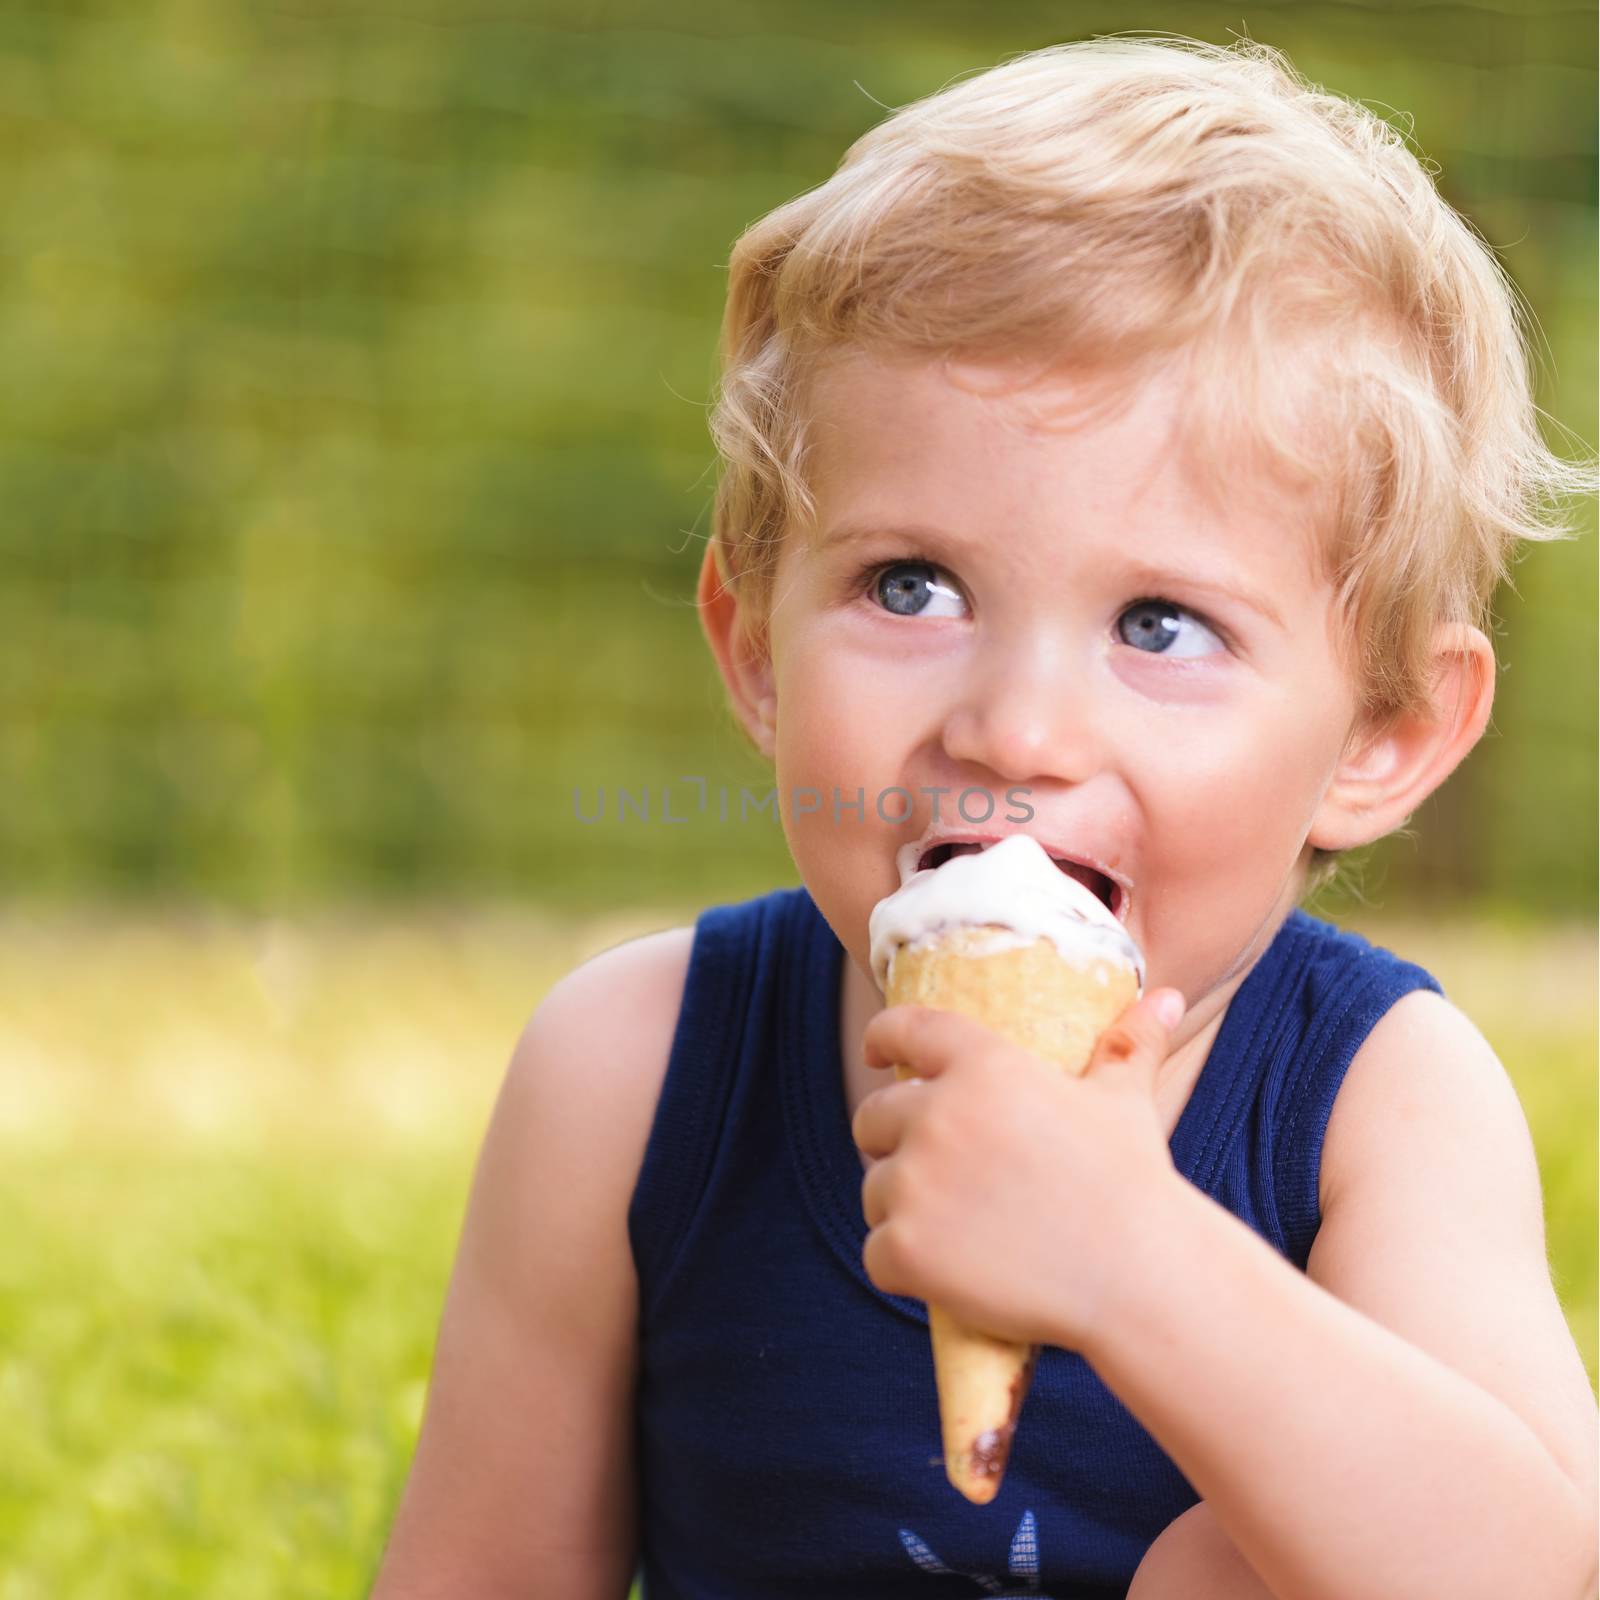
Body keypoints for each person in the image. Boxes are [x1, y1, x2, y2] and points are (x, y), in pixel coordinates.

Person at [371, 35, 1598, 1599]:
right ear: (755, 648)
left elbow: (1529, 1572)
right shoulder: (627, 1073)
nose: (1014, 726)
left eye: (1162, 626)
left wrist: (1135, 1254)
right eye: (913, 587)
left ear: (1388, 732)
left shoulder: (1378, 1100)